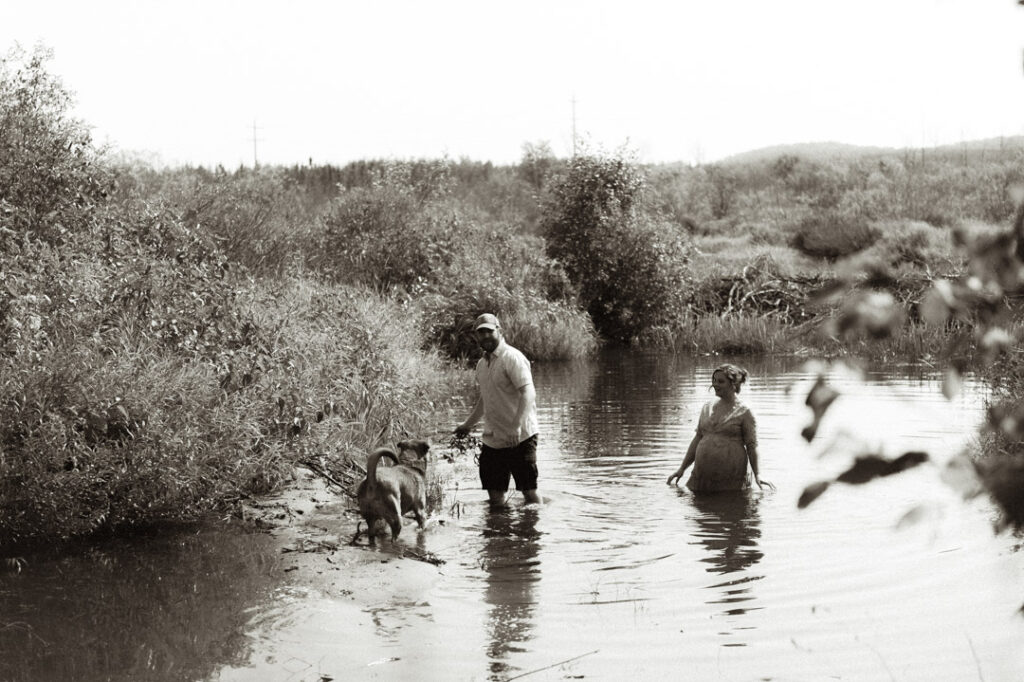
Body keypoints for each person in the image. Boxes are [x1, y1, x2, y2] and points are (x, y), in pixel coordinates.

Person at [455, 313, 541, 508]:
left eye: (489, 331)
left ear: (499, 331)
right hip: (493, 439)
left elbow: (529, 393)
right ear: (476, 336)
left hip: (521, 436)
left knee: (529, 493)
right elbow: (486, 399)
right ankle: (500, 535)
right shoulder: (481, 365)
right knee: (495, 497)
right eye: (480, 333)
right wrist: (467, 425)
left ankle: (531, 535)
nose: (485, 336)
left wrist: (515, 427)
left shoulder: (512, 357)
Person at [667, 364, 775, 492]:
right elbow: (698, 438)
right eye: (714, 380)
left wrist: (758, 474)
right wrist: (682, 469)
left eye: (720, 381)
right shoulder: (707, 407)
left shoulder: (745, 411)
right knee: (699, 509)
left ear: (733, 384)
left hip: (732, 476)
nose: (715, 384)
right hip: (702, 475)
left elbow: (751, 445)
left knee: (730, 508)